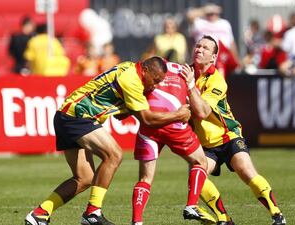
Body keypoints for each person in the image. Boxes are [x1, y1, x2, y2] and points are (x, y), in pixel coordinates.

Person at [24, 56, 192, 225]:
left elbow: (117, 101)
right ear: (146, 70)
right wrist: (179, 114)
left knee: (85, 178)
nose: (155, 85)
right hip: (78, 116)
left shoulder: (130, 67)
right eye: (155, 80)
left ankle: (39, 213)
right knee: (114, 155)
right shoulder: (131, 80)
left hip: (66, 114)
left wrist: (124, 107)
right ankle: (92, 213)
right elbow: (147, 119)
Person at [181, 35, 286, 225]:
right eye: (198, 46)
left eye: (205, 48)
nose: (199, 49)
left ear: (213, 57)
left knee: (245, 171)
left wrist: (188, 86)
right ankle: (224, 219)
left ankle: (277, 215)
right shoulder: (185, 74)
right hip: (205, 144)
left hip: (228, 136)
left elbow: (203, 112)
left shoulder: (217, 80)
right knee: (197, 180)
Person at [131, 62, 215, 225]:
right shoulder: (185, 71)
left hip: (150, 122)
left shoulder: (147, 69)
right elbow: (199, 110)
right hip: (174, 124)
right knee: (201, 162)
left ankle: (137, 221)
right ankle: (191, 205)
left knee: (145, 178)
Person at [187, 3, 240, 76]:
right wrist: (205, 9)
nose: (213, 15)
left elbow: (231, 43)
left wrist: (237, 59)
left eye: (215, 13)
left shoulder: (224, 23)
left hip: (222, 56)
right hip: (204, 54)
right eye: (210, 13)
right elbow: (189, 15)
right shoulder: (199, 23)